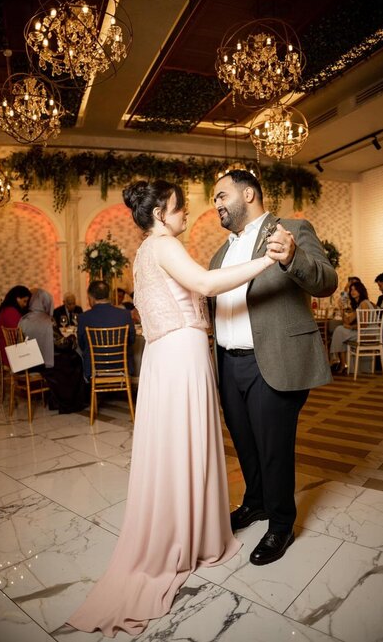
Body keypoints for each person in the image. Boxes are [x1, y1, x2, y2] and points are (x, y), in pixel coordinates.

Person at [68, 179, 280, 637]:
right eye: (180, 207)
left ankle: (185, 528)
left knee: (175, 448)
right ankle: (190, 535)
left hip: (167, 357)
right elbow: (205, 283)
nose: (186, 213)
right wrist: (268, 259)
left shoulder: (146, 250)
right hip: (181, 356)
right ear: (160, 214)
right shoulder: (164, 246)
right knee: (187, 445)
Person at [210, 170, 338, 567]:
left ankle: (281, 523)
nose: (216, 204)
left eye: (221, 195)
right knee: (244, 443)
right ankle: (256, 502)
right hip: (228, 363)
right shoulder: (220, 253)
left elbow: (327, 281)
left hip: (273, 359)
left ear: (248, 194)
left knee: (273, 448)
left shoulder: (293, 230)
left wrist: (294, 257)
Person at [19, 289, 86, 413]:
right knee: (75, 359)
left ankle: (55, 398)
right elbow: (61, 344)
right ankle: (70, 401)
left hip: (30, 362)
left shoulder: (23, 319)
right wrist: (72, 338)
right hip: (46, 364)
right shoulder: (48, 321)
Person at [77, 281, 136, 380]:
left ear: (91, 297)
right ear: (109, 296)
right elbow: (132, 340)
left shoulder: (83, 318)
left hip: (94, 369)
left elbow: (82, 345)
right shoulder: (125, 315)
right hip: (122, 366)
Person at [330, 281, 374, 374]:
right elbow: (347, 321)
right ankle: (342, 364)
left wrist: (350, 327)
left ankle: (340, 363)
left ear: (361, 291)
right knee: (340, 331)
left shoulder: (364, 303)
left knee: (339, 331)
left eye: (355, 289)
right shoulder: (359, 305)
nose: (353, 292)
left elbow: (365, 325)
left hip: (368, 334)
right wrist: (341, 309)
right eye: (351, 290)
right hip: (362, 332)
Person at [0, 285, 31, 366]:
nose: (25, 305)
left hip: (8, 350)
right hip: (13, 354)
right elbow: (19, 333)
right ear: (17, 299)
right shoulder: (11, 312)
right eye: (24, 301)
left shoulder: (6, 309)